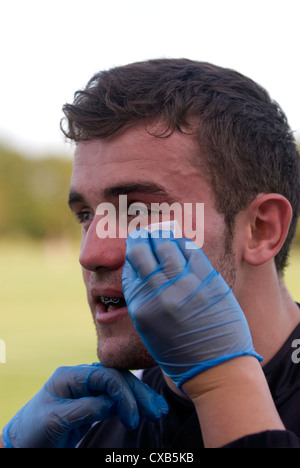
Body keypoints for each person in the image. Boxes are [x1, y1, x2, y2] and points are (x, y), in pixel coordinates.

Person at [1, 58, 300, 448]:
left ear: (261, 229)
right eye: (86, 215)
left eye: (137, 213)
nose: (92, 253)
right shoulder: (97, 420)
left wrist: (223, 384)